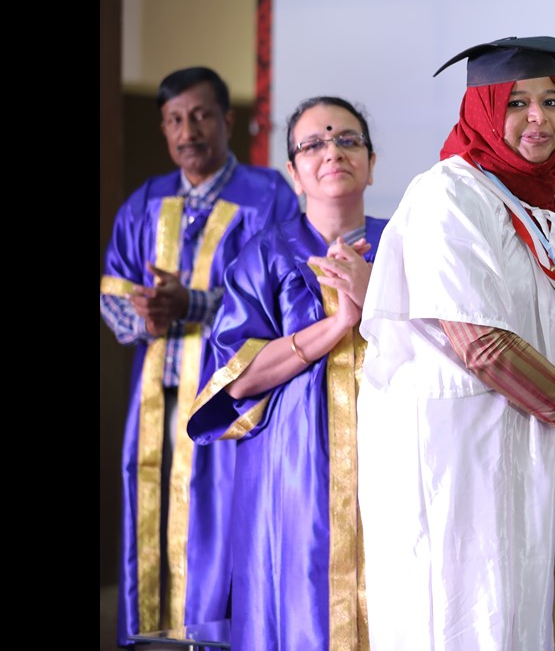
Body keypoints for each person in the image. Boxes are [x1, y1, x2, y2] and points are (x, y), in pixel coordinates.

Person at [355, 35, 555, 650]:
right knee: (481, 619)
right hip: (466, 468)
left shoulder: (554, 212)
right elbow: (485, 348)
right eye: (516, 103)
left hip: (543, 455)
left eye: (551, 101)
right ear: (481, 109)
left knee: (552, 614)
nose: (539, 119)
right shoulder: (448, 196)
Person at [99, 66, 299, 645]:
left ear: (227, 120)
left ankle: (216, 639)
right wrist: (145, 312)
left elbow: (284, 293)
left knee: (220, 527)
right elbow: (112, 289)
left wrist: (195, 304)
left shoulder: (267, 197)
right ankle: (148, 639)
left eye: (201, 115)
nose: (188, 132)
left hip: (230, 406)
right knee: (152, 519)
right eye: (174, 120)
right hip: (156, 402)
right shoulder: (146, 202)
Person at [185, 96, 385, 650]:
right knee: (298, 607)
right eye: (313, 144)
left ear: (372, 163)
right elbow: (238, 378)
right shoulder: (264, 257)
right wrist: (339, 323)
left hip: (394, 461)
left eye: (347, 140)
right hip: (292, 472)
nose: (333, 152)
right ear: (294, 173)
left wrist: (378, 293)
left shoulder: (406, 247)